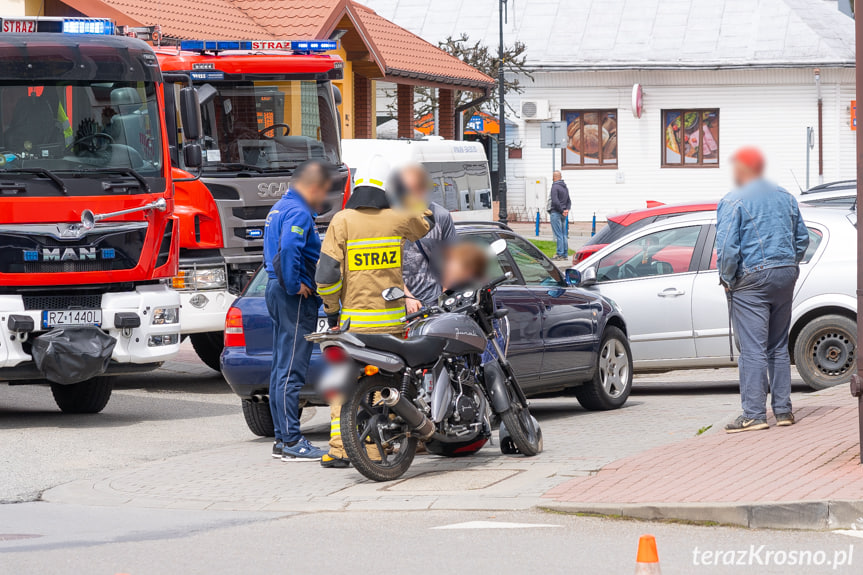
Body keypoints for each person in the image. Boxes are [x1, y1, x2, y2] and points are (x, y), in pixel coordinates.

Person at [315, 156, 434, 468]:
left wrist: (331, 310)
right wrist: (407, 195)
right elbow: (427, 222)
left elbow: (326, 274)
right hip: (391, 326)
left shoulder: (342, 221)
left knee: (344, 384)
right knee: (388, 387)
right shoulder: (396, 218)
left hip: (353, 325)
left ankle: (341, 449)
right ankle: (384, 443)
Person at [716, 147, 809, 434]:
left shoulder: (734, 200)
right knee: (778, 345)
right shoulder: (786, 197)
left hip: (752, 280)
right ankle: (783, 411)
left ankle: (754, 414)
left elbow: (728, 249)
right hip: (785, 274)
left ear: (744, 169)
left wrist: (728, 279)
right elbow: (802, 239)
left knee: (753, 349)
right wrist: (788, 265)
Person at [263, 160, 331, 460]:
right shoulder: (299, 212)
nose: (323, 199)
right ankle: (291, 442)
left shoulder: (279, 207)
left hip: (277, 291)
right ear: (312, 186)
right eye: (323, 191)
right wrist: (294, 285)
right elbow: (290, 248)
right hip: (294, 297)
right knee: (291, 369)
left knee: (281, 367)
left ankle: (282, 439)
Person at [401, 164, 456, 314]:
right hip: (402, 304)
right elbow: (388, 267)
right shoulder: (394, 217)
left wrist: (444, 298)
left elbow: (451, 259)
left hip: (433, 303)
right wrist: (407, 297)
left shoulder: (441, 216)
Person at [549, 171, 571, 260]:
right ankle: (565, 254)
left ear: (554, 177)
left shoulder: (554, 187)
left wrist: (561, 210)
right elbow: (569, 201)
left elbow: (555, 201)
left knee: (558, 234)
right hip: (564, 214)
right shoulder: (565, 187)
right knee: (564, 234)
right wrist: (566, 210)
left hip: (556, 212)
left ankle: (560, 254)